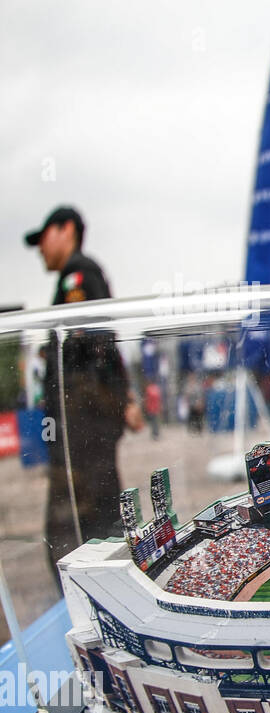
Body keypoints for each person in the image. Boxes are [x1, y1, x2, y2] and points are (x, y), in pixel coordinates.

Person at [24, 206, 142, 581]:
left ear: (67, 230)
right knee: (91, 517)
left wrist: (119, 399)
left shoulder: (79, 275)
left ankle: (99, 595)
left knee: (85, 520)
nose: (40, 248)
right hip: (81, 426)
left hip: (83, 426)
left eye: (44, 236)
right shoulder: (70, 279)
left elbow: (98, 345)